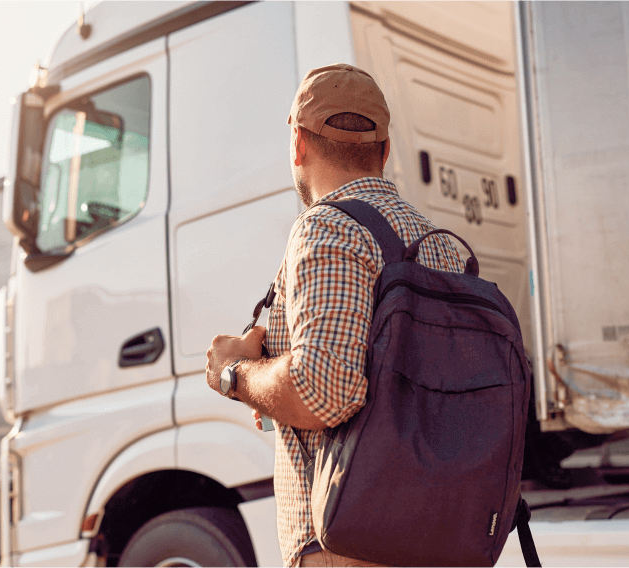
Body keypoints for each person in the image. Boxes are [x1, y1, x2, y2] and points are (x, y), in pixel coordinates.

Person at [206, 63, 464, 568]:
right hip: (439, 533)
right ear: (385, 151)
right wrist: (274, 382)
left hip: (349, 545)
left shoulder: (326, 228)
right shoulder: (442, 247)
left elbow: (323, 391)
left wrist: (236, 375)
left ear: (298, 145)